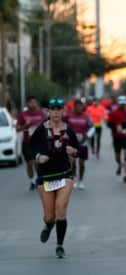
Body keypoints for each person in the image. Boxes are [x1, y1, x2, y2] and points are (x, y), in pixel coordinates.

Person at [28, 98, 79, 258]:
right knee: (49, 216)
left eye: (59, 109)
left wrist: (74, 151)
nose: (56, 112)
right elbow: (28, 148)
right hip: (46, 176)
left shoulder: (69, 130)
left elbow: (80, 151)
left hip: (65, 175)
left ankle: (59, 246)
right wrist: (38, 156)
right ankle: (48, 225)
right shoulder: (41, 130)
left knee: (61, 211)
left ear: (63, 111)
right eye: (53, 109)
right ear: (48, 112)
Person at [16, 96, 47, 190]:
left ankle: (38, 178)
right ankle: (32, 180)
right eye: (31, 102)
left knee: (38, 162)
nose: (33, 104)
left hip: (39, 142)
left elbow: (48, 125)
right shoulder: (23, 115)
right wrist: (26, 125)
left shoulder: (41, 113)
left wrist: (41, 125)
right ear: (27, 104)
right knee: (30, 163)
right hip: (27, 142)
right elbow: (17, 129)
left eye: (35, 102)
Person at [64, 99, 95, 190]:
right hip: (71, 143)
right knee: (72, 162)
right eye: (76, 105)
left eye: (80, 105)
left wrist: (87, 135)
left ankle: (81, 180)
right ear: (74, 107)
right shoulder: (68, 116)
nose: (78, 107)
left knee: (81, 163)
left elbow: (92, 127)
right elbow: (63, 126)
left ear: (82, 107)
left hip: (83, 143)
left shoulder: (86, 117)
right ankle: (74, 176)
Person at [107, 95, 126, 183]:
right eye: (121, 103)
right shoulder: (114, 112)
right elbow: (109, 124)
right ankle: (120, 164)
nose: (123, 105)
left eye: (124, 103)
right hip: (117, 137)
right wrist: (115, 127)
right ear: (118, 103)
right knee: (117, 156)